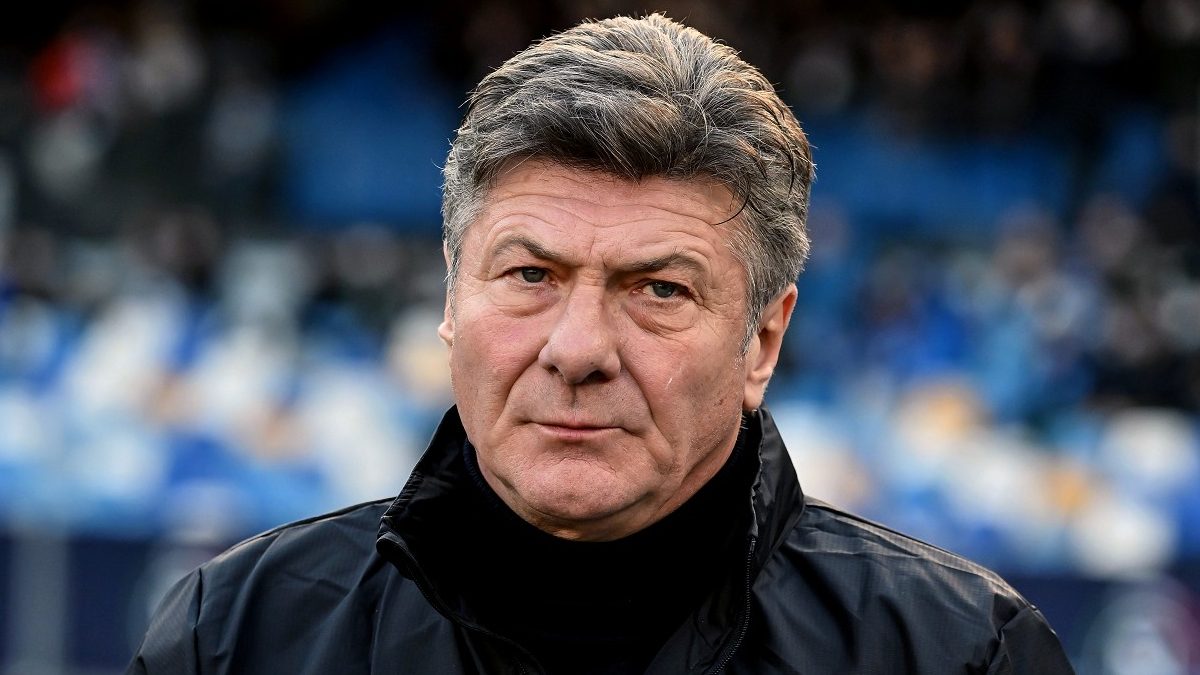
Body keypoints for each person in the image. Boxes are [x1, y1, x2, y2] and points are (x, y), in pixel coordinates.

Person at [127, 13, 1075, 674]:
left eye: (659, 289)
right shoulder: (238, 637)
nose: (576, 349)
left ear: (762, 341)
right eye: (529, 275)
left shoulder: (958, 654)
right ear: (451, 299)